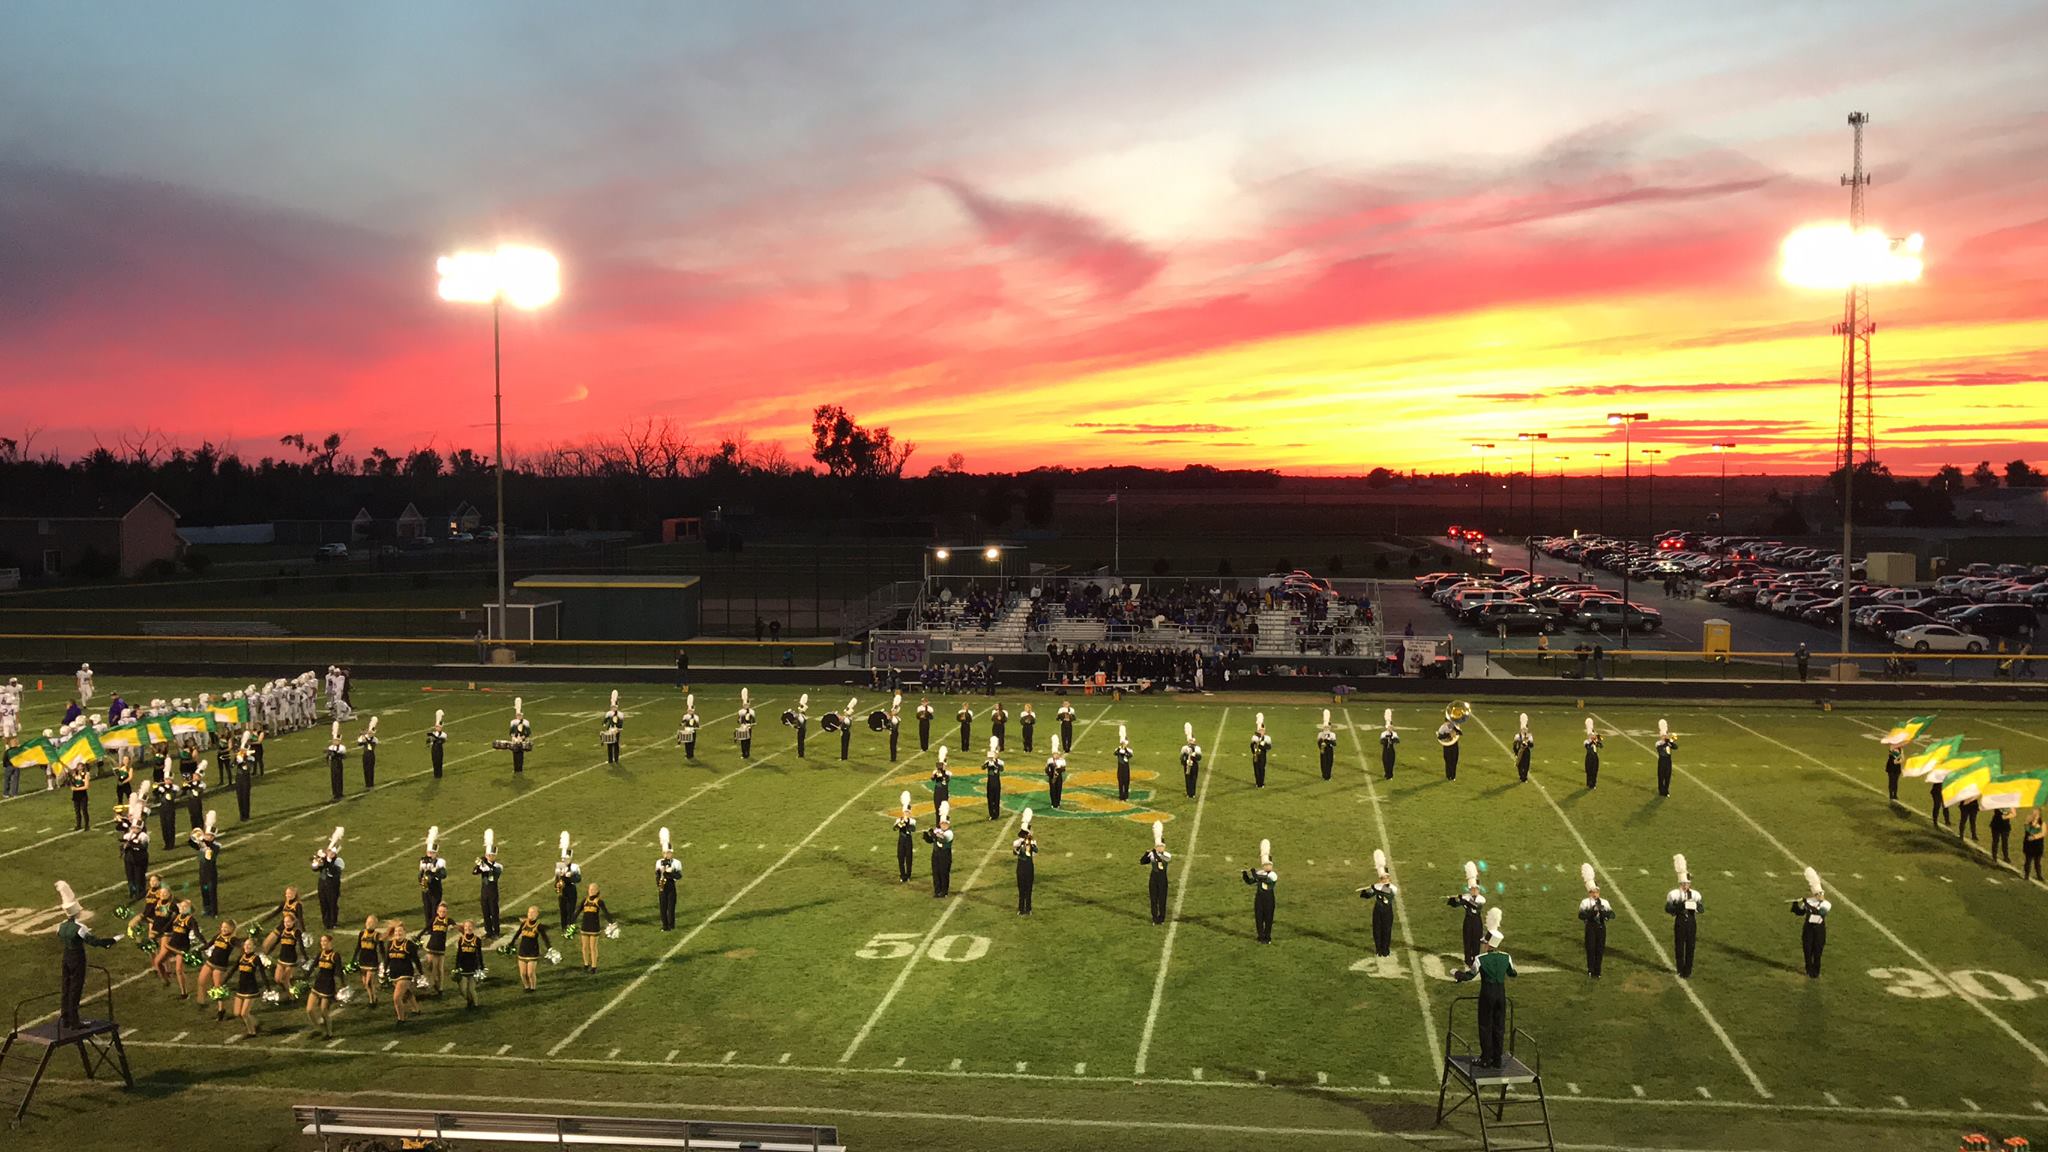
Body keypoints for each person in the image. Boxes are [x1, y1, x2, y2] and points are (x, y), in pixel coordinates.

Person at [1454, 909, 1515, 1067]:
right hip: (1501, 994)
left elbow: (1469, 976)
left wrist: (1457, 974)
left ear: (1488, 944)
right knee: (1499, 1026)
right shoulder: (1506, 957)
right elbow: (1513, 973)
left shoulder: (1481, 959)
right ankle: (1497, 1058)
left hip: (1487, 993)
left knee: (1485, 1025)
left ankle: (1486, 1058)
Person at [54, 881, 116, 1030]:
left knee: (66, 987)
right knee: (75, 988)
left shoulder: (61, 926)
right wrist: (112, 940)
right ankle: (75, 1021)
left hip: (66, 956)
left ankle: (65, 1019)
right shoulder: (80, 927)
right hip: (77, 957)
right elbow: (94, 942)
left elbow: (61, 935)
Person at [1665, 855, 1702, 978]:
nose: (1686, 885)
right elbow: (1668, 909)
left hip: (1691, 922)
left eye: (1688, 883)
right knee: (1679, 945)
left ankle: (1688, 970)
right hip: (1680, 921)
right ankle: (1680, 968)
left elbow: (1701, 909)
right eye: (1684, 883)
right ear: (1680, 883)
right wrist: (1680, 906)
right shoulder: (1674, 894)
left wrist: (1696, 906)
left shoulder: (1695, 894)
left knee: (1691, 946)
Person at [1790, 868, 1830, 979]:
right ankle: (1808, 969)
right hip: (1808, 929)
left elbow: (1821, 913)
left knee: (1817, 950)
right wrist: (1795, 905)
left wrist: (1807, 905)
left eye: (1821, 893)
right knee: (1807, 949)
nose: (1821, 896)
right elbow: (1800, 912)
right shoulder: (1808, 901)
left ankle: (1816, 971)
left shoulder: (1826, 904)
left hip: (1819, 929)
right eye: (1818, 894)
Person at [1447, 862, 1487, 966]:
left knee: (1476, 941)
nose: (1474, 891)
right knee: (1467, 940)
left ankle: (1476, 959)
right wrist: (1453, 900)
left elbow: (1477, 907)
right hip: (1468, 921)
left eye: (1476, 889)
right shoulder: (1466, 897)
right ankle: (1468, 960)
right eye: (1472, 889)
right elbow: (1456, 904)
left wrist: (1464, 900)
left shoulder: (1481, 899)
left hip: (1477, 921)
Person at [1357, 850, 1396, 957]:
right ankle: (1378, 950)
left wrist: (1376, 887)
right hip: (1378, 910)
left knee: (1386, 931)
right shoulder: (1377, 887)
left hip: (1387, 911)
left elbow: (1389, 894)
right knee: (1377, 930)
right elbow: (1366, 896)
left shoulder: (1392, 888)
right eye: (1383, 878)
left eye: (1386, 878)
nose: (1385, 879)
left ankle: (1385, 951)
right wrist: (1366, 891)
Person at [1577, 865, 1613, 978]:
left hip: (1601, 927)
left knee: (1600, 949)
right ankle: (1590, 969)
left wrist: (1604, 913)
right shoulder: (1585, 902)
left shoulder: (1605, 902)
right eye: (1592, 892)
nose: (1595, 894)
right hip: (1590, 927)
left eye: (1596, 891)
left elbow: (1612, 914)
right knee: (1591, 948)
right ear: (1589, 892)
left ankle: (1598, 971)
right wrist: (1592, 912)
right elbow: (1581, 915)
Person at [1241, 840, 1278, 943]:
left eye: (1268, 865)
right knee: (1259, 918)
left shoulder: (1273, 875)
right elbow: (1250, 881)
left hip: (1269, 899)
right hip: (1260, 898)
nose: (1266, 866)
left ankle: (1267, 937)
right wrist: (1244, 874)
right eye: (1265, 864)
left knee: (1268, 919)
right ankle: (1261, 937)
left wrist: (1253, 872)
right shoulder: (1261, 873)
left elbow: (1260, 878)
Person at [305, 933, 340, 1038]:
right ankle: (318, 1028)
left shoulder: (335, 955)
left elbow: (338, 971)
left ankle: (329, 1033)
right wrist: (305, 976)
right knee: (309, 1009)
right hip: (318, 984)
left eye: (325, 941)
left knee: (324, 1011)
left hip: (328, 985)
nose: (323, 943)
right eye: (321, 941)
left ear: (330, 942)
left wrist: (340, 985)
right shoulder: (320, 954)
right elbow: (313, 966)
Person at [264, 910, 304, 999]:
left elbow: (301, 945)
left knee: (285, 980)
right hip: (282, 958)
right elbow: (277, 941)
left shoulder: (296, 932)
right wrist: (270, 950)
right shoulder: (283, 931)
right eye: (285, 922)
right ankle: (289, 991)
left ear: (293, 922)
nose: (287, 923)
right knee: (277, 979)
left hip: (291, 960)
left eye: (289, 922)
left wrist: (304, 956)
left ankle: (293, 996)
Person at [311, 828, 345, 930]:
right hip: (322, 884)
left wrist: (329, 860)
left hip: (332, 886)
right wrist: (318, 861)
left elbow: (333, 871)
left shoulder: (339, 861)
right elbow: (314, 868)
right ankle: (326, 922)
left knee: (332, 904)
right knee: (323, 903)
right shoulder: (325, 859)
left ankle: (333, 922)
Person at [575, 883, 614, 972]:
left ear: (597, 891)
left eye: (593, 889)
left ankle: (594, 966)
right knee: (584, 947)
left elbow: (606, 912)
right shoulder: (585, 900)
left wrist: (611, 922)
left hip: (594, 927)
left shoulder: (599, 901)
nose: (591, 891)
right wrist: (571, 922)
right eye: (590, 889)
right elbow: (578, 911)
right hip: (585, 926)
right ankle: (585, 964)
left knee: (593, 947)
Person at [190, 811, 222, 917]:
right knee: (204, 891)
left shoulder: (216, 846)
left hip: (211, 872)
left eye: (210, 836)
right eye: (207, 835)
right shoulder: (201, 844)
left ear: (213, 837)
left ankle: (214, 911)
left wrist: (202, 841)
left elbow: (210, 854)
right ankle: (206, 909)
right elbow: (190, 843)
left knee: (212, 892)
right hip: (202, 871)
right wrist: (195, 836)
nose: (207, 837)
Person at [514, 906, 552, 992]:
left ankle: (533, 988)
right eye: (529, 912)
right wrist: (511, 944)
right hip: (522, 951)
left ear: (537, 914)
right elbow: (517, 934)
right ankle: (526, 987)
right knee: (523, 973)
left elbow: (545, 938)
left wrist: (549, 948)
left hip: (533, 952)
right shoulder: (524, 923)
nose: (530, 914)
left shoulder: (539, 926)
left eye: (533, 912)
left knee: (530, 973)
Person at [1140, 822, 1172, 925]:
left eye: (1161, 846)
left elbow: (1160, 861)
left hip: (1162, 879)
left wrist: (1154, 852)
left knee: (1162, 900)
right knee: (1153, 900)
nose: (1159, 847)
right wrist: (1147, 853)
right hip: (1153, 878)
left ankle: (1161, 919)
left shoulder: (1167, 855)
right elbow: (1142, 862)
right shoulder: (1152, 854)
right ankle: (1154, 918)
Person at [475, 830, 504, 937]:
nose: (489, 857)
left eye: (491, 855)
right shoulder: (484, 865)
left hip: (493, 891)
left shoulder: (498, 866)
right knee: (485, 913)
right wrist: (479, 865)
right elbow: (475, 872)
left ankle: (496, 931)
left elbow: (492, 876)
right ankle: (488, 931)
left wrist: (485, 864)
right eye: (488, 855)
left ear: (494, 856)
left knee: (494, 913)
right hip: (484, 891)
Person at [923, 801, 954, 897]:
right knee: (936, 872)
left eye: (945, 824)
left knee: (943, 873)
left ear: (948, 824)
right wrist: (926, 837)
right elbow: (932, 840)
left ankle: (944, 892)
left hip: (945, 855)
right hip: (936, 854)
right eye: (942, 823)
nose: (943, 825)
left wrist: (934, 834)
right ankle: (937, 891)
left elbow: (942, 839)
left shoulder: (950, 833)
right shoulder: (938, 830)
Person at [351, 915, 383, 1007]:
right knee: (365, 983)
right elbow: (358, 947)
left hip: (372, 960)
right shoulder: (362, 933)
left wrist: (385, 962)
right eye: (368, 922)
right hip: (363, 959)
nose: (369, 924)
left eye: (371, 922)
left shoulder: (377, 935)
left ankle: (372, 1001)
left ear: (375, 925)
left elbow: (381, 950)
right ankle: (374, 997)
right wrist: (353, 959)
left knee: (369, 982)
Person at [418, 826, 447, 926]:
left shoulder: (440, 861)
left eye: (432, 853)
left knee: (435, 908)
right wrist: (421, 879)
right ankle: (428, 927)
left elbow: (443, 874)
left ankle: (435, 926)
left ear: (436, 853)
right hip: (426, 889)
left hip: (435, 888)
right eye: (429, 852)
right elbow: (420, 875)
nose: (430, 854)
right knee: (427, 909)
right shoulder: (423, 861)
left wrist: (433, 873)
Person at [421, 902, 451, 998]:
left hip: (441, 948)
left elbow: (456, 926)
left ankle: (440, 989)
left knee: (440, 969)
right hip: (432, 946)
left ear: (446, 912)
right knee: (431, 967)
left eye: (444, 911)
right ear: (437, 911)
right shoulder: (434, 919)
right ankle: (434, 984)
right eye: (440, 911)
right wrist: (418, 937)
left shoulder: (448, 920)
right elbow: (426, 927)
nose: (442, 913)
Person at [453, 921, 486, 1008]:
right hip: (463, 968)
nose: (468, 928)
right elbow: (459, 953)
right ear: (464, 928)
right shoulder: (461, 939)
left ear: (473, 928)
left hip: (473, 968)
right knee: (463, 990)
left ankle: (476, 1006)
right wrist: (456, 966)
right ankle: (469, 1001)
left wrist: (481, 967)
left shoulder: (477, 940)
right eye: (466, 926)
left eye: (470, 926)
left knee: (471, 989)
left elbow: (479, 954)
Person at [1012, 808, 1037, 915]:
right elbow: (1015, 850)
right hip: (1021, 867)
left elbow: (1035, 852)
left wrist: (1029, 842)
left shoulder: (1032, 843)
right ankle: (1021, 909)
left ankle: (1029, 908)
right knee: (1021, 889)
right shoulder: (1018, 842)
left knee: (1029, 889)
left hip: (1029, 867)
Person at [553, 833, 581, 929]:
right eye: (564, 858)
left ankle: (570, 927)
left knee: (571, 910)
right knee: (563, 911)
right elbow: (556, 879)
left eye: (566, 858)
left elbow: (578, 879)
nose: (564, 860)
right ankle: (564, 927)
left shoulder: (575, 866)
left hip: (571, 889)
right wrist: (556, 887)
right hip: (562, 890)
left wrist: (571, 876)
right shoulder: (559, 866)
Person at [892, 792, 918, 884]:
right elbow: (894, 828)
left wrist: (907, 822)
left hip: (908, 840)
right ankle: (902, 875)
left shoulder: (912, 821)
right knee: (900, 857)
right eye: (905, 812)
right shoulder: (899, 819)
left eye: (908, 812)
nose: (906, 813)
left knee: (909, 858)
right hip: (901, 839)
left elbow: (913, 828)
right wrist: (899, 824)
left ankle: (909, 875)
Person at [507, 699, 532, 774]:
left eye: (520, 715)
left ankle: (520, 769)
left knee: (520, 754)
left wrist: (523, 737)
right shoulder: (513, 722)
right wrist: (514, 737)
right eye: (517, 715)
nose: (518, 716)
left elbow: (528, 732)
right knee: (515, 754)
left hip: (522, 739)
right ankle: (515, 769)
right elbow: (511, 732)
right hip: (515, 739)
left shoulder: (526, 722)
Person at [1654, 719, 1677, 797]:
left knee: (1667, 776)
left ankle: (1666, 790)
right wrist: (1667, 742)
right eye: (1663, 736)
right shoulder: (1658, 743)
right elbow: (1660, 749)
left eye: (1665, 735)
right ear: (1661, 736)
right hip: (1661, 761)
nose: (1664, 737)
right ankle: (1661, 791)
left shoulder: (1668, 742)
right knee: (1661, 777)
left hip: (1668, 761)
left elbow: (1675, 747)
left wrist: (1670, 741)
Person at [1249, 712, 1273, 788]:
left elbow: (1269, 747)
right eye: (1260, 731)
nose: (1261, 732)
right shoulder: (1254, 737)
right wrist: (1254, 751)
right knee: (1256, 769)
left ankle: (1261, 783)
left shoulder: (1267, 738)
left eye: (1262, 731)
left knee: (1262, 768)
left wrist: (1262, 746)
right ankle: (1257, 783)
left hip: (1263, 755)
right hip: (1256, 754)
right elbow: (1251, 746)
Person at [1179, 722, 1202, 799]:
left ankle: (1193, 793)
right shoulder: (1184, 748)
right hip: (1187, 765)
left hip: (1194, 765)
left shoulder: (1197, 748)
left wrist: (1194, 755)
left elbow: (1199, 757)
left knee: (1194, 778)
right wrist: (1185, 762)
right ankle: (1189, 793)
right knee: (1187, 778)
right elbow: (1181, 757)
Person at [601, 691, 624, 766]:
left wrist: (618, 729)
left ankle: (616, 759)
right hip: (610, 730)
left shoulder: (620, 714)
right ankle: (610, 759)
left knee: (616, 744)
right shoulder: (609, 713)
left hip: (616, 730)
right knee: (609, 744)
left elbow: (620, 724)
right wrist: (604, 724)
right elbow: (605, 721)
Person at [325, 722, 347, 801]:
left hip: (338, 763)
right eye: (334, 740)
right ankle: (335, 793)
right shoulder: (331, 747)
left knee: (339, 778)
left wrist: (333, 752)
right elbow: (328, 756)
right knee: (333, 778)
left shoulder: (342, 747)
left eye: (336, 740)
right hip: (333, 764)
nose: (335, 742)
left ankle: (340, 793)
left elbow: (342, 755)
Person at [1044, 736, 1067, 809]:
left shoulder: (1061, 760)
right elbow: (1046, 769)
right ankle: (1053, 803)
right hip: (1052, 777)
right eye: (1054, 754)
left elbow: (1064, 769)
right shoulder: (1050, 760)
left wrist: (1058, 770)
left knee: (1058, 790)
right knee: (1052, 790)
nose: (1055, 755)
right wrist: (1050, 774)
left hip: (1059, 777)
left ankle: (1058, 803)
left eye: (1056, 754)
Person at [1511, 713, 1534, 783]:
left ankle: (1525, 777)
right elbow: (1514, 745)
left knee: (1526, 765)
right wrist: (1516, 752)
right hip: (1520, 751)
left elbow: (1532, 745)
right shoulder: (1517, 736)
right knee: (1519, 765)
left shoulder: (1529, 736)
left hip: (1526, 752)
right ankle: (1521, 776)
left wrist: (1528, 743)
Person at [677, 694, 700, 762]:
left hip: (692, 731)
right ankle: (688, 755)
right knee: (687, 744)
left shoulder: (696, 717)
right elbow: (682, 723)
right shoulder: (685, 716)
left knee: (692, 744)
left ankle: (691, 755)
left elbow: (697, 724)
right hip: (687, 731)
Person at [2023, 810, 2045, 881]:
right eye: (2033, 814)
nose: (2034, 815)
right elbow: (2027, 828)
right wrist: (2032, 824)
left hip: (2038, 846)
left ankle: (2039, 875)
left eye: (2036, 814)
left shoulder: (2042, 824)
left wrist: (2034, 837)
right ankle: (2026, 875)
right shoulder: (2028, 822)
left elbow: (2043, 833)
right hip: (2029, 846)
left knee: (2037, 862)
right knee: (2028, 861)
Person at [1114, 725, 1134, 800]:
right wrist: (1120, 749)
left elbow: (1130, 755)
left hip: (1126, 768)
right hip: (1120, 768)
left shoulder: (1129, 750)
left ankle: (1126, 795)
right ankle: (1121, 796)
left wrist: (1124, 750)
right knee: (1120, 783)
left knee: (1126, 782)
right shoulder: (1118, 749)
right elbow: (1115, 753)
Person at [1582, 719, 1603, 789]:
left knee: (1595, 770)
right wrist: (1593, 742)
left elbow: (1601, 746)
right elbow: (1587, 747)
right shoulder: (1586, 741)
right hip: (1589, 757)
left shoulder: (1595, 741)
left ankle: (1593, 784)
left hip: (1595, 757)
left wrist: (1598, 740)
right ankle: (1589, 783)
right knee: (1589, 770)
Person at [735, 689, 756, 759]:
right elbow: (738, 721)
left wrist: (750, 726)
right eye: (744, 704)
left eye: (746, 704)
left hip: (748, 728)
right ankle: (744, 753)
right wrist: (740, 720)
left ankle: (747, 753)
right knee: (742, 741)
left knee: (748, 741)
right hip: (742, 727)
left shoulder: (752, 711)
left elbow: (754, 722)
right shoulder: (740, 711)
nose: (745, 705)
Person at [1379, 709, 1399, 779]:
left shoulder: (1394, 733)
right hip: (1385, 750)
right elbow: (1381, 741)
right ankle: (1386, 773)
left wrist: (1392, 739)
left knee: (1391, 762)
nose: (1390, 728)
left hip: (1391, 750)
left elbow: (1397, 741)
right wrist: (1386, 739)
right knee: (1385, 762)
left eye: (1391, 727)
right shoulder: (1383, 733)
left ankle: (1390, 774)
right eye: (1389, 727)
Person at [427, 710, 448, 778]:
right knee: (434, 761)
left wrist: (435, 738)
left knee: (439, 760)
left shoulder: (444, 734)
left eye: (438, 727)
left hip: (439, 748)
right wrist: (430, 739)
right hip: (434, 748)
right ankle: (435, 774)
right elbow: (428, 741)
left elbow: (442, 740)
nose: (437, 728)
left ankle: (439, 774)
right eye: (436, 727)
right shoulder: (433, 733)